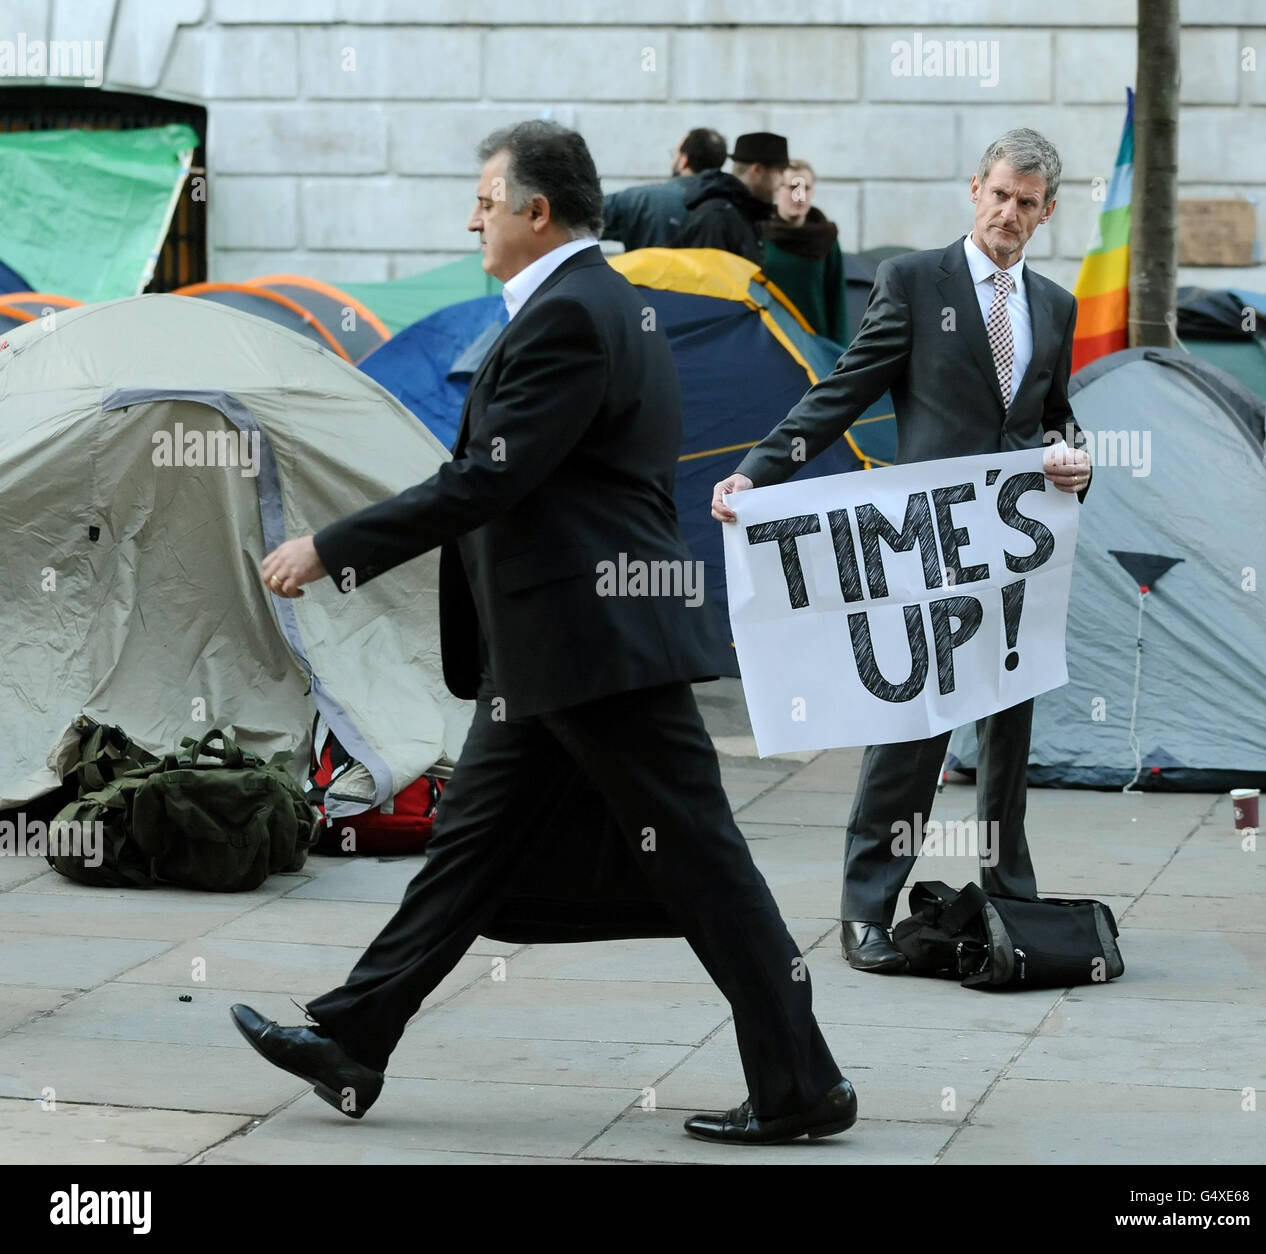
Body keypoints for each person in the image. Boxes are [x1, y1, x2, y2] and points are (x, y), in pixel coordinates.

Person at [234, 120, 854, 1146]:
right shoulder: (595, 302)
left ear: (536, 211)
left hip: (595, 645)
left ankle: (802, 1083)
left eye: (485, 198)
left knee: (705, 864)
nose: (470, 217)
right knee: (467, 853)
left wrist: (331, 549)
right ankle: (353, 1040)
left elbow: (490, 477)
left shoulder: (573, 313)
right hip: (555, 648)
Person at [711, 128, 1093, 975]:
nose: (1009, 213)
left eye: (1027, 203)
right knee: (909, 731)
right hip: (924, 549)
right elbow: (842, 392)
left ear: (1048, 212)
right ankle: (866, 906)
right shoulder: (916, 282)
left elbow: (1053, 415)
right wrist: (756, 475)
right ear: (975, 189)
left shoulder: (1056, 307)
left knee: (1008, 732)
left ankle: (1012, 895)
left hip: (1014, 554)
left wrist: (1075, 455)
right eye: (999, 194)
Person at [761, 158, 850, 343]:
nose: (799, 195)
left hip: (815, 345)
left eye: (806, 188)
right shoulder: (759, 234)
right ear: (777, 189)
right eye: (793, 187)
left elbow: (837, 302)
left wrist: (840, 354)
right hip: (769, 340)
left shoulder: (826, 238)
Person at [601, 127, 726, 251]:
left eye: (675, 153)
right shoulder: (733, 204)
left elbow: (587, 217)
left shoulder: (640, 200)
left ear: (684, 160)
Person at [673, 131, 787, 265]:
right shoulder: (717, 217)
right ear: (758, 170)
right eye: (780, 172)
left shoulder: (744, 214)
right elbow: (708, 281)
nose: (783, 181)